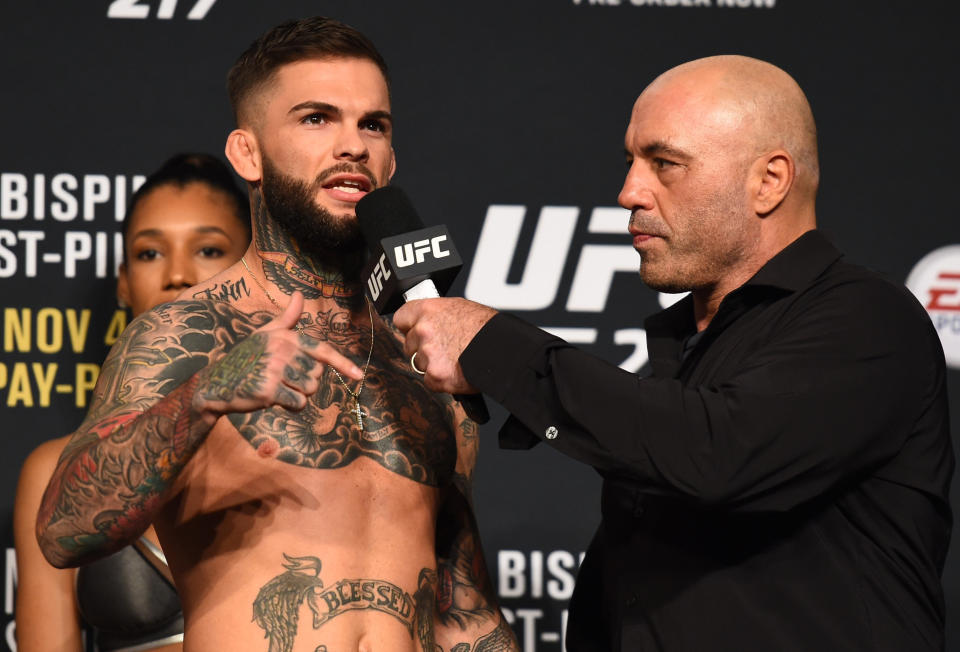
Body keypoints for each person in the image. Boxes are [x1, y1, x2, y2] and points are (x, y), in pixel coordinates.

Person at [393, 55, 954, 651]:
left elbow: (715, 453)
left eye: (665, 164)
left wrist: (491, 345)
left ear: (769, 181)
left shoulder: (869, 319)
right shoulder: (691, 349)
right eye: (631, 162)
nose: (629, 191)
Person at [36, 17, 516, 652]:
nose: (353, 146)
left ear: (392, 157)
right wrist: (204, 396)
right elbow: (65, 532)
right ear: (248, 153)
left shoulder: (424, 358)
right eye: (317, 118)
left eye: (373, 124)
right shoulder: (188, 335)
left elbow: (464, 610)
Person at [14, 152, 251, 652]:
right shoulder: (56, 471)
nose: (178, 276)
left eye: (208, 249)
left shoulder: (313, 444)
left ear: (252, 269)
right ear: (123, 282)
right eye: (150, 253)